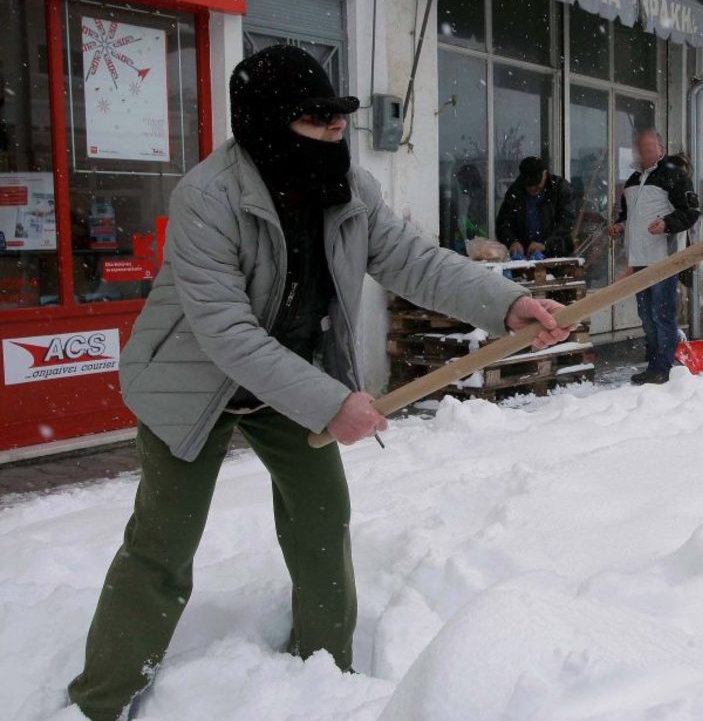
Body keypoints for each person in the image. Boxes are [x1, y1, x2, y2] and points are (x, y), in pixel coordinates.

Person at [65, 45, 569, 721]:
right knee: (163, 541)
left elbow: (416, 261)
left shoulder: (350, 191)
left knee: (322, 516)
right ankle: (99, 700)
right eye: (319, 120)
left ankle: (324, 670)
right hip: (192, 384)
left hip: (284, 377)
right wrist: (332, 403)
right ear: (271, 124)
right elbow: (226, 332)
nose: (337, 132)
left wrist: (502, 304)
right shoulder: (207, 199)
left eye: (339, 118)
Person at [608, 129, 700, 384]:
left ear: (660, 149)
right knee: (647, 316)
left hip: (663, 259)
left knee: (662, 315)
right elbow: (629, 218)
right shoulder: (632, 181)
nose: (644, 154)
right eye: (641, 149)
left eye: (650, 149)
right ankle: (658, 359)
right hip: (638, 260)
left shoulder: (674, 176)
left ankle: (662, 367)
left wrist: (667, 224)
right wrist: (620, 227)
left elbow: (692, 211)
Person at [496, 156, 576, 260]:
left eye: (536, 183)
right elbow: (503, 223)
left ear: (545, 174)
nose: (533, 188)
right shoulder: (516, 191)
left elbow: (566, 224)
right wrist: (512, 241)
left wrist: (546, 245)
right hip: (525, 256)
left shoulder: (560, 189)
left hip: (557, 255)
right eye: (529, 185)